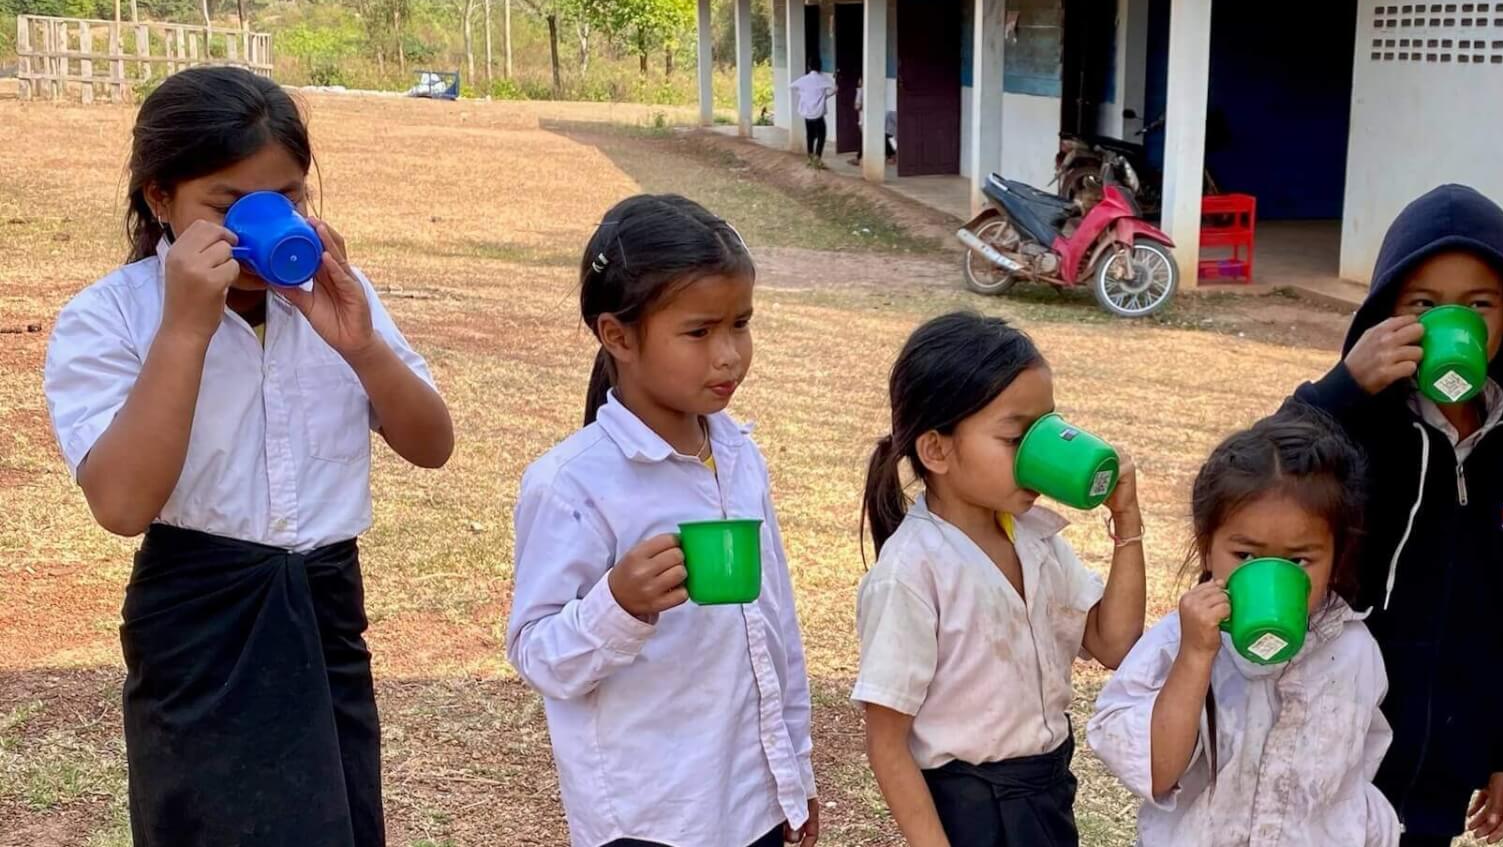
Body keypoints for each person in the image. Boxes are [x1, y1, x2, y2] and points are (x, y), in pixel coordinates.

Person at [42, 66, 453, 847]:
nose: (262, 227)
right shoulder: (111, 317)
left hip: (326, 609)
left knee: (342, 823)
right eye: (228, 207)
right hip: (200, 625)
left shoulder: (338, 296)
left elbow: (432, 444)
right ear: (161, 199)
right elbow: (122, 504)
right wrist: (184, 329)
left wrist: (362, 345)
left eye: (288, 199)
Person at [505, 195, 819, 847]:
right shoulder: (573, 484)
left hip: (750, 803)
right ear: (617, 335)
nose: (729, 355)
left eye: (741, 324)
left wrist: (794, 772)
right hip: (648, 817)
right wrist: (617, 604)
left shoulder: (739, 456)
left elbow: (776, 625)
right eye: (699, 332)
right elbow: (538, 655)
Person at [1284, 183, 1503, 845]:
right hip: (1339, 744)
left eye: (1478, 304)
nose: (1452, 320)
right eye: (1424, 304)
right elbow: (1258, 479)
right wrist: (1341, 389)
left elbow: (1501, 610)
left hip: (1446, 757)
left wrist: (1501, 746)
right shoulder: (1355, 426)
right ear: (1387, 315)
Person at [855, 311, 1148, 846]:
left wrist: (1127, 524)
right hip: (970, 814)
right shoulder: (912, 572)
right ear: (936, 450)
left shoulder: (1036, 539)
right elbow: (887, 742)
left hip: (1046, 797)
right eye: (1017, 438)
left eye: (1046, 431)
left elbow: (1114, 644)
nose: (1039, 454)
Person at [1087, 407, 1401, 846]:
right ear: (1207, 547)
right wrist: (1195, 656)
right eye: (1246, 557)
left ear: (1337, 557)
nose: (1271, 576)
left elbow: (1350, 785)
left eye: (1298, 560)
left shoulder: (1353, 649)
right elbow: (1157, 772)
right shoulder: (1176, 641)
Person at [789, 60, 836, 168]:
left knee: (810, 136)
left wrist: (802, 94)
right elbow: (835, 88)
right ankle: (817, 159)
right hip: (818, 114)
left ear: (809, 67)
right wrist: (825, 96)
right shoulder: (822, 79)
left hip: (807, 114)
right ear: (820, 67)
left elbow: (791, 86)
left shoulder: (804, 79)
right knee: (821, 136)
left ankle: (810, 159)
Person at [851, 79, 897, 167]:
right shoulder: (875, 89)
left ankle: (860, 157)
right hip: (881, 115)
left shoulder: (861, 90)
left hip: (867, 118)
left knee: (865, 138)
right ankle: (892, 154)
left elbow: (857, 106)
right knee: (886, 136)